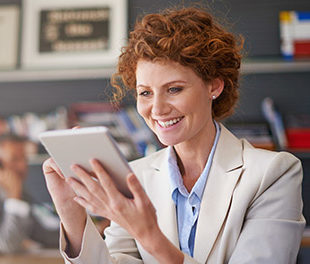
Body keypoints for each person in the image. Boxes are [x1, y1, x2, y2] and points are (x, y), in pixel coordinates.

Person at [42, 6, 305, 264]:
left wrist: (149, 236)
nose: (157, 109)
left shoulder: (272, 174)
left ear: (214, 85)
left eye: (174, 89)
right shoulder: (135, 177)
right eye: (145, 93)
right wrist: (71, 214)